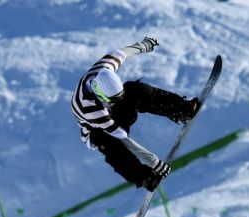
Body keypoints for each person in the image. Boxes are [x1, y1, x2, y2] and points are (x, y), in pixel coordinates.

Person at [71, 37, 201, 192]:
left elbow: (123, 52)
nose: (116, 101)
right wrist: (154, 162)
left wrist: (145, 45)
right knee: (110, 144)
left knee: (135, 90)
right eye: (113, 100)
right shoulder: (90, 109)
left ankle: (182, 108)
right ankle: (144, 178)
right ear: (100, 94)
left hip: (120, 115)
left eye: (119, 97)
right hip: (98, 131)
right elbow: (124, 140)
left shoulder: (105, 67)